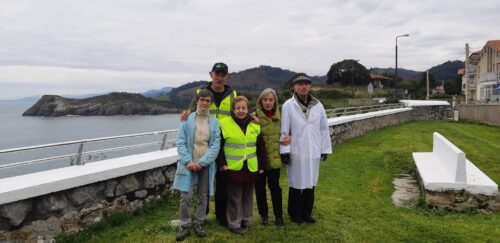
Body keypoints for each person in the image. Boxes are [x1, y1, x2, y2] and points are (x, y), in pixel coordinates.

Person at [180, 62, 237, 226]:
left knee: (222, 181)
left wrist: (252, 117)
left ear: (227, 76)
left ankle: (221, 216)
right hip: (205, 142)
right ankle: (201, 216)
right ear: (211, 74)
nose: (219, 77)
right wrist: (184, 114)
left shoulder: (233, 94)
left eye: (222, 74)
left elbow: (240, 112)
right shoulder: (200, 93)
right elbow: (190, 113)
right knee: (202, 182)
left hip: (225, 142)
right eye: (216, 74)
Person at [280, 75, 332, 224]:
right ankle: (294, 213)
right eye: (300, 84)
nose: (303, 87)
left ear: (310, 87)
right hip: (297, 150)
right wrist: (285, 151)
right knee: (296, 183)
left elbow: (323, 128)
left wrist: (324, 149)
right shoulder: (288, 106)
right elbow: (285, 130)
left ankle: (306, 212)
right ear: (294, 87)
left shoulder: (318, 105)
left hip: (313, 149)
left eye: (306, 84)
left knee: (310, 183)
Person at [173, 89, 221, 241]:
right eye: (202, 100)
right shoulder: (187, 119)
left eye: (208, 101)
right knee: (185, 196)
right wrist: (188, 161)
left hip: (204, 165)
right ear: (196, 101)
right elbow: (180, 142)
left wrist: (201, 163)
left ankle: (199, 222)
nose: (205, 103)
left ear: (211, 103)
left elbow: (215, 145)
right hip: (188, 164)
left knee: (203, 196)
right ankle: (185, 225)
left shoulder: (214, 122)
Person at [217, 96, 267, 235]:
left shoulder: (254, 125)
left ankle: (247, 220)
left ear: (248, 109)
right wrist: (222, 164)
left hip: (250, 166)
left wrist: (262, 165)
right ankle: (234, 224)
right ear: (233, 109)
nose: (241, 111)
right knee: (235, 196)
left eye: (243, 108)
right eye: (238, 108)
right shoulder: (224, 123)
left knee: (248, 196)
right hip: (233, 168)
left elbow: (260, 147)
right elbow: (219, 147)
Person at [253, 88, 287, 227]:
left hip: (274, 159)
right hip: (258, 160)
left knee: (275, 188)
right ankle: (264, 215)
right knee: (260, 188)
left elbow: (290, 130)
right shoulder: (253, 117)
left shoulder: (282, 117)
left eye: (270, 100)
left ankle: (279, 216)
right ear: (260, 101)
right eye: (265, 99)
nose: (267, 102)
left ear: (275, 101)